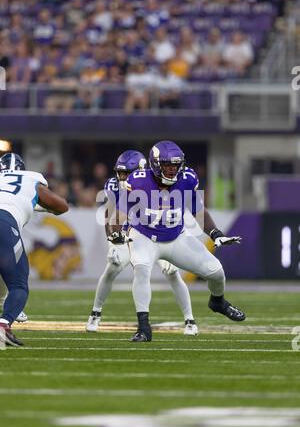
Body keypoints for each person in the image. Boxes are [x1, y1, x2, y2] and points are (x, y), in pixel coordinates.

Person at [116, 141, 245, 342]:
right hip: (144, 236)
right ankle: (143, 327)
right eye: (168, 165)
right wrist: (117, 232)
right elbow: (120, 212)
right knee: (141, 268)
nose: (172, 169)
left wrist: (215, 233)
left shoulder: (187, 179)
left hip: (176, 237)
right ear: (156, 165)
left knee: (216, 271)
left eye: (175, 165)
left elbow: (198, 211)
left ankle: (217, 302)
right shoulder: (139, 180)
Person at [86, 149, 198, 335]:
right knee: (112, 268)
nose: (123, 178)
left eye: (127, 173)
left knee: (172, 273)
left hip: (154, 233)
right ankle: (95, 314)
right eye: (120, 173)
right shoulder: (114, 186)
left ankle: (190, 320)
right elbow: (109, 216)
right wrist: (113, 240)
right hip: (126, 234)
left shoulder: (155, 182)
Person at [0, 153, 68, 347]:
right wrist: (45, 206)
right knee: (18, 285)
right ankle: (4, 326)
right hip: (4, 223)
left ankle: (9, 310)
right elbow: (62, 206)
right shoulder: (31, 178)